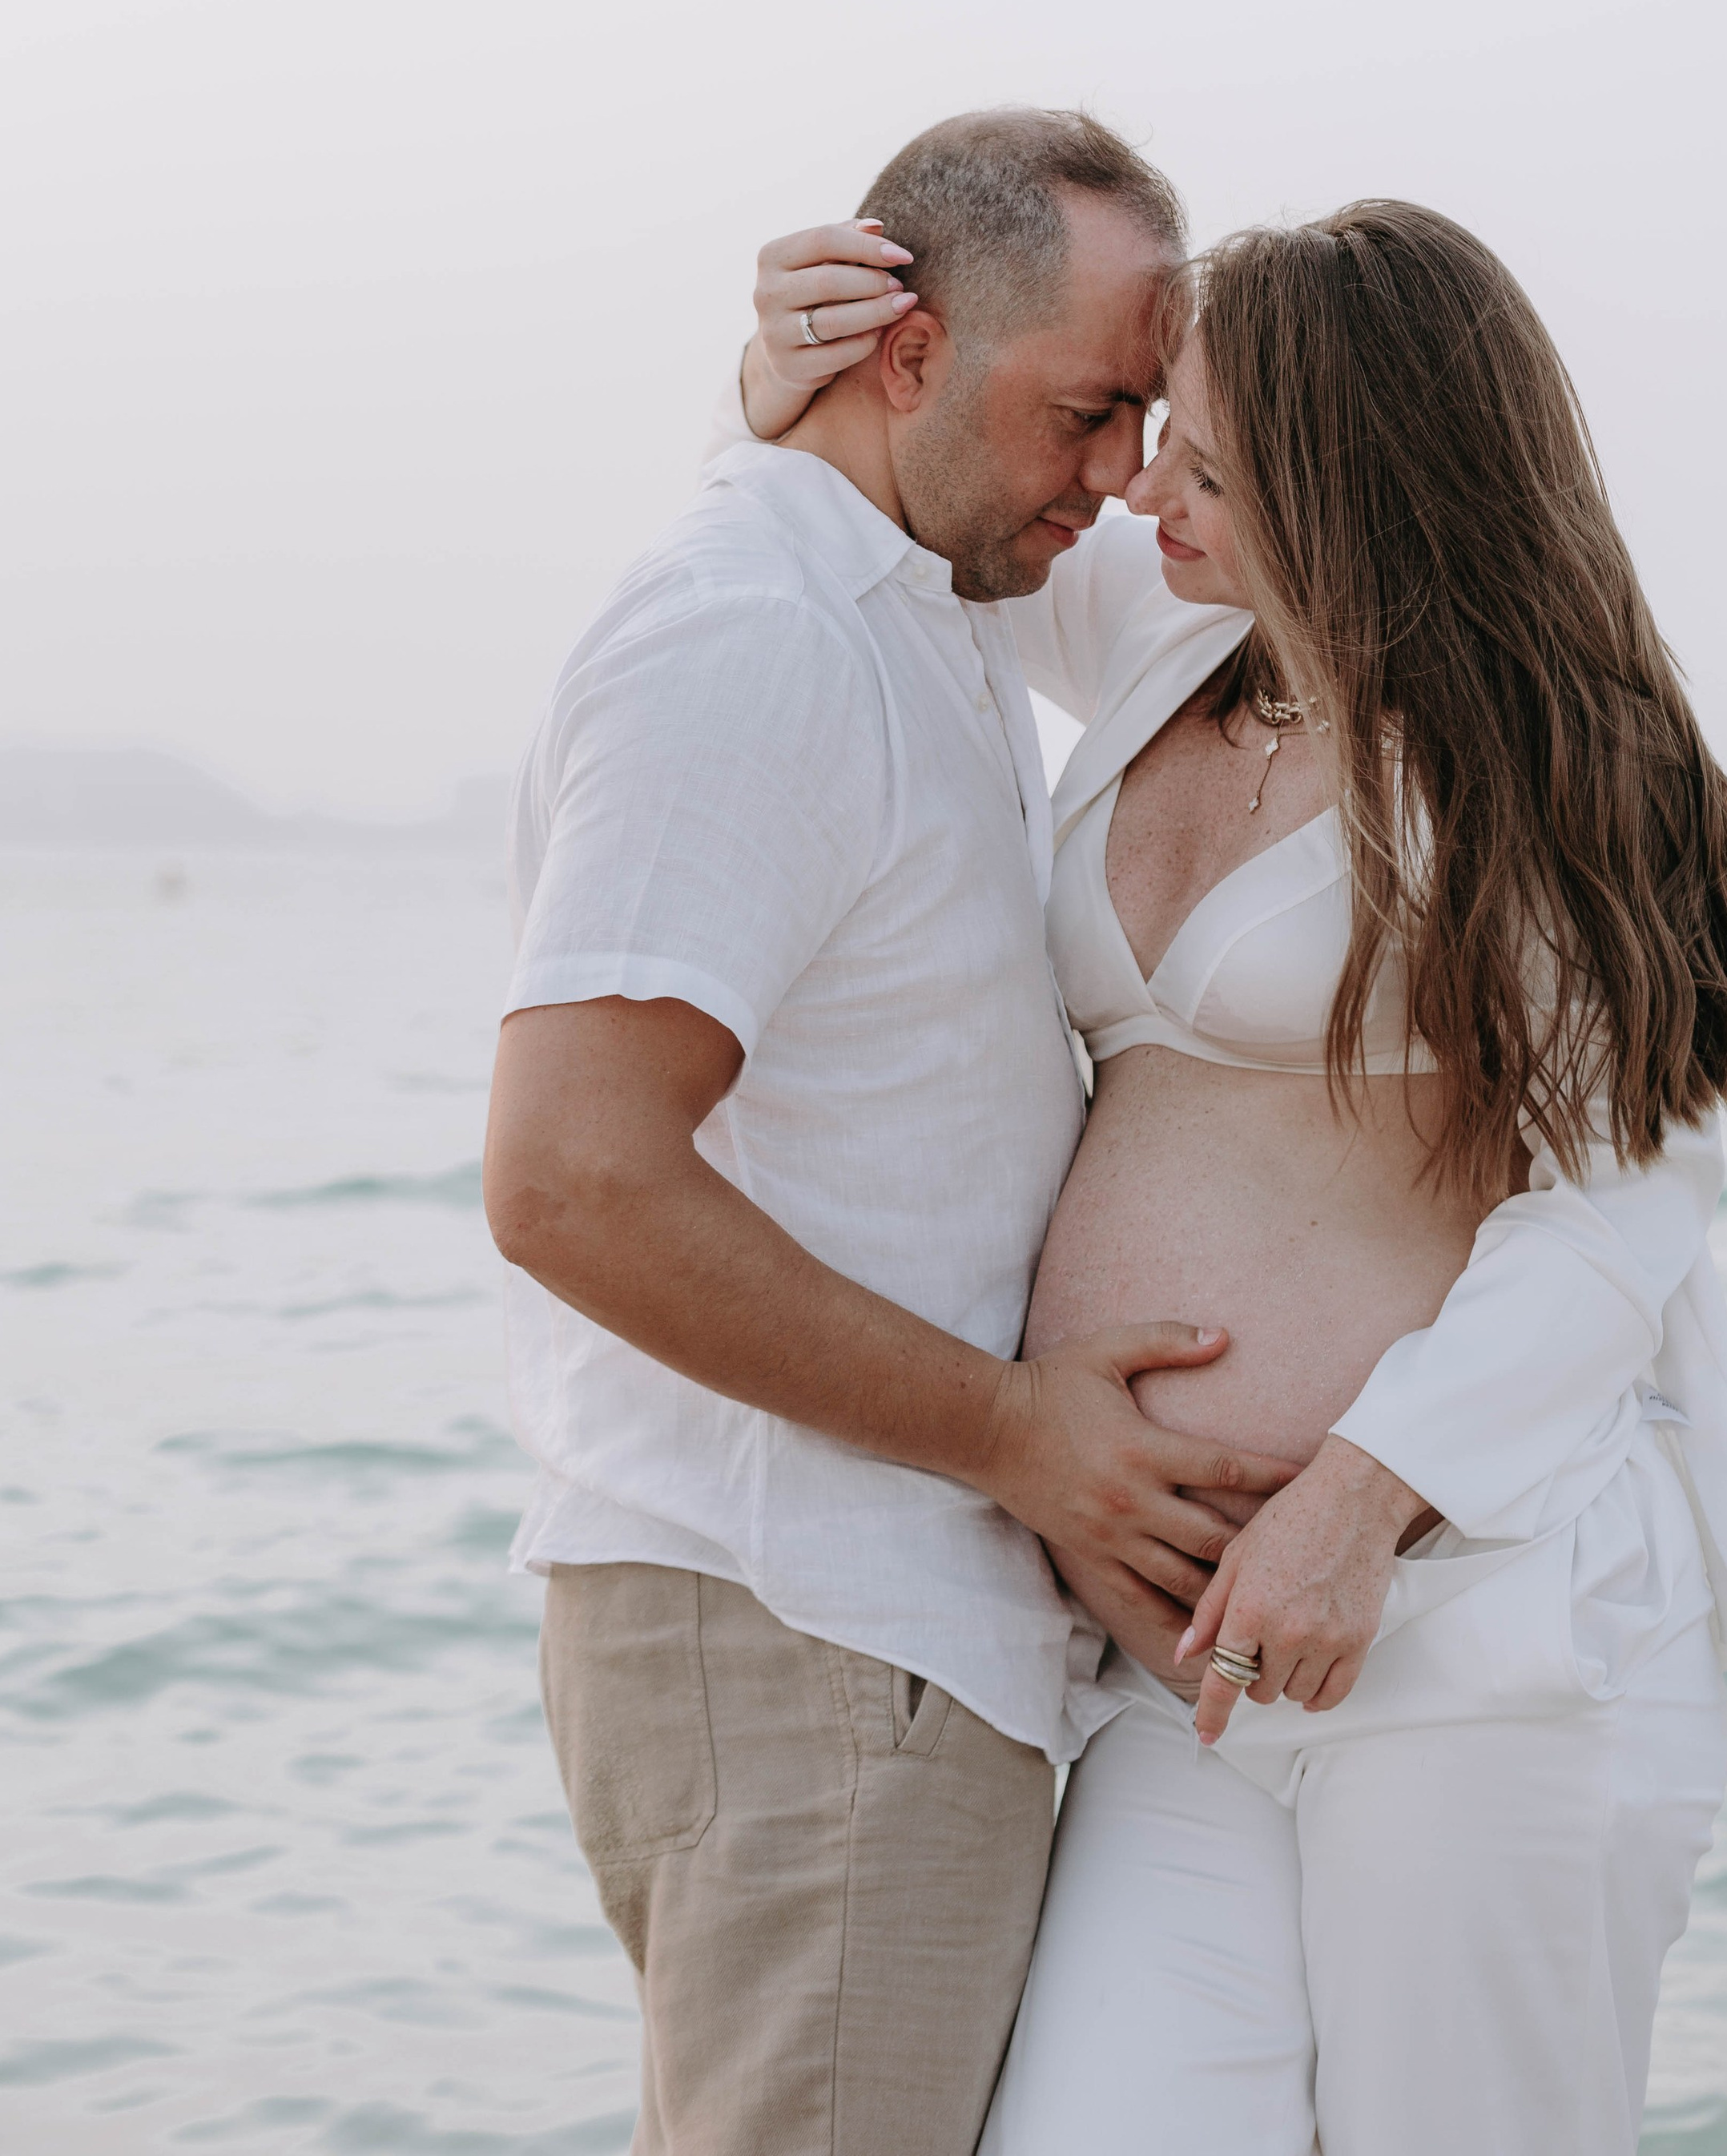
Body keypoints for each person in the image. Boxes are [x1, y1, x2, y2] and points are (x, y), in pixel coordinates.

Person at [739, 191, 1727, 2156]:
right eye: (1156, 423)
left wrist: (1355, 1497)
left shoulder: (1550, 765)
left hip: (1480, 1637)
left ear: (1359, 489)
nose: (1145, 479)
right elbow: (956, 519)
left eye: (1210, 462)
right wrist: (789, 383)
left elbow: (1626, 1208)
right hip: (1180, 1675)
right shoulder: (1177, 629)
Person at [481, 111, 1307, 2156]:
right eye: (1085, 414)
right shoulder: (755, 637)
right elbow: (570, 1177)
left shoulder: (909, 601)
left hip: (867, 1641)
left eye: (1144, 423)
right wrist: (1023, 1436)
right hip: (803, 1627)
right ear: (909, 355)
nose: (1117, 481)